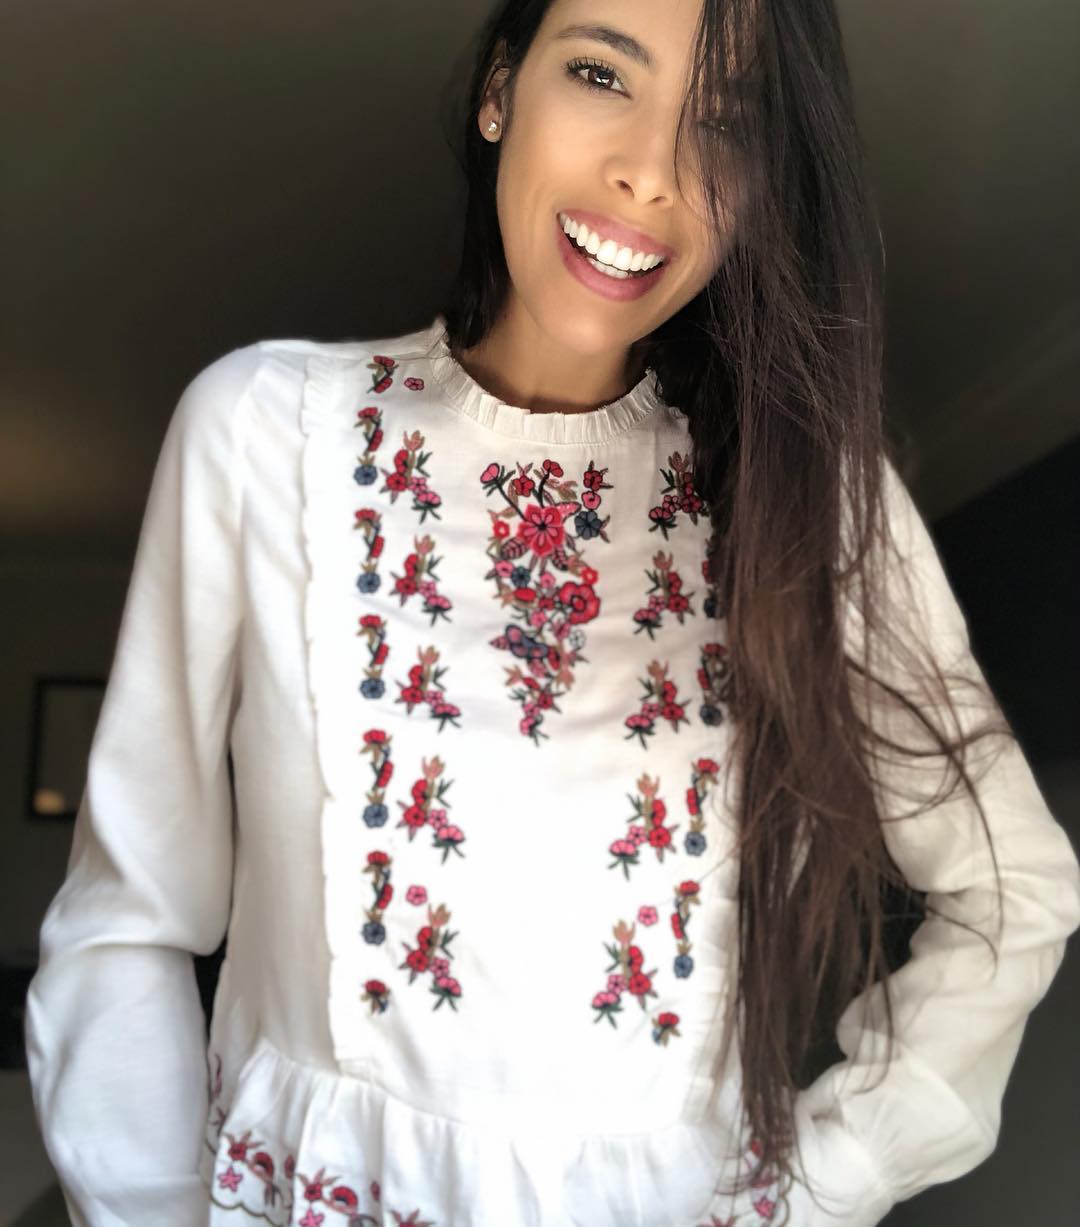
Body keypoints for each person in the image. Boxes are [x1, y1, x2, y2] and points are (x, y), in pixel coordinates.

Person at [24, 1, 1080, 1225]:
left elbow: (1012, 894)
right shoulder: (265, 430)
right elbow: (125, 920)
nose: (650, 171)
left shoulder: (811, 501)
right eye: (600, 74)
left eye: (728, 125)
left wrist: (812, 1194)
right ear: (499, 90)